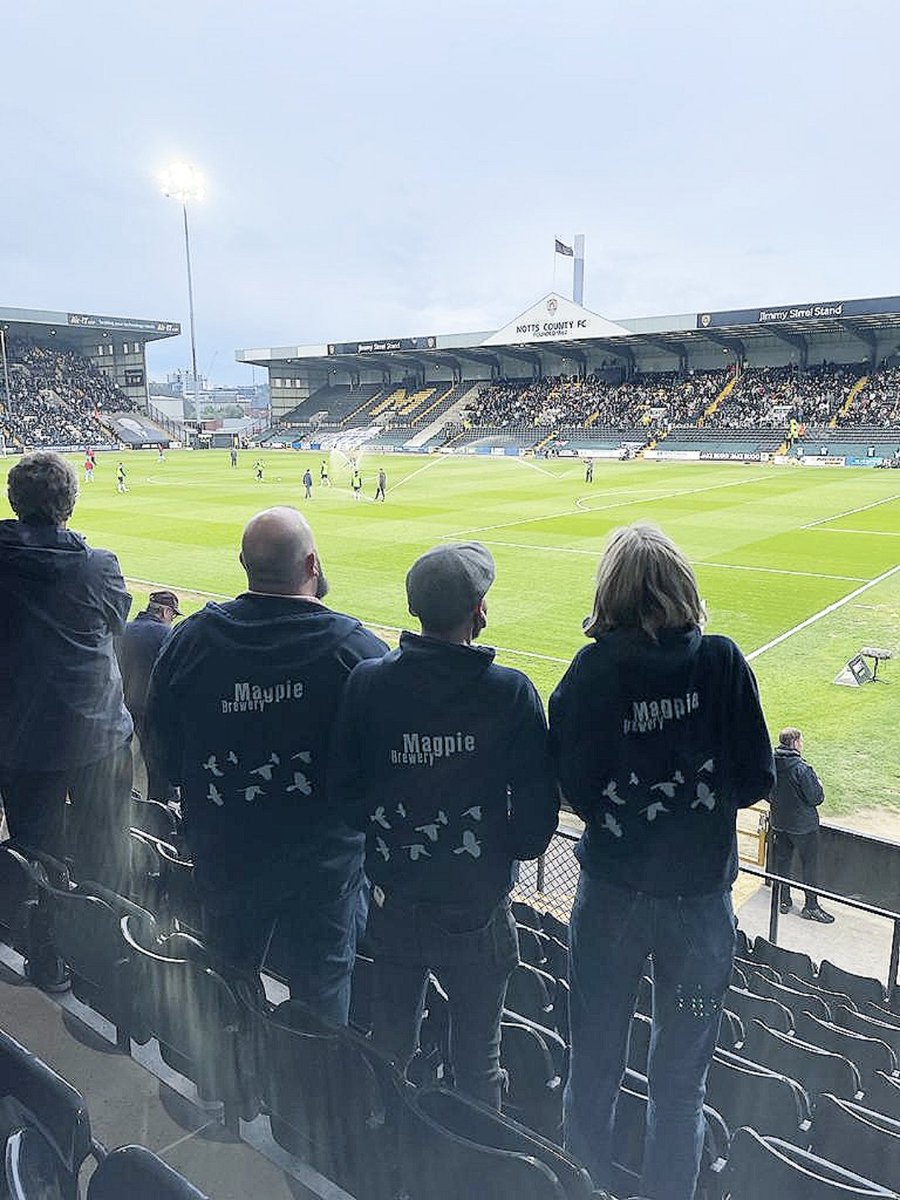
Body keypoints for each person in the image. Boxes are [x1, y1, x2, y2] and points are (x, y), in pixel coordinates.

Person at [549, 523, 774, 1200]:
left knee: (593, 1062)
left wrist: (628, 813)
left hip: (612, 898)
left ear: (610, 591)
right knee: (681, 1082)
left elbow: (571, 785)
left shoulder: (590, 673)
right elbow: (758, 778)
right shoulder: (723, 662)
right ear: (682, 584)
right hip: (702, 914)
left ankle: (580, 1186)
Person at [330, 542, 558, 1107]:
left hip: (393, 901)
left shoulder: (367, 682)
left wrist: (393, 839)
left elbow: (345, 794)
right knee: (478, 1060)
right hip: (477, 908)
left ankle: (385, 1148)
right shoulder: (509, 692)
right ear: (478, 612)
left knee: (390, 1045)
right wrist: (490, 850)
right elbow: (535, 821)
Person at [145, 507, 388, 1022]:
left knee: (226, 977)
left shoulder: (190, 640)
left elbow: (160, 748)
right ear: (313, 565)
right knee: (321, 992)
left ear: (243, 563)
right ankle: (308, 1099)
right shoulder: (356, 649)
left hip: (225, 853)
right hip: (322, 865)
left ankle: (223, 1096)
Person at [0, 452, 134, 946]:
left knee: (32, 851)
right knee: (105, 850)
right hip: (96, 733)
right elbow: (117, 623)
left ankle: (44, 952)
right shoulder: (97, 566)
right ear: (69, 504)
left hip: (18, 738)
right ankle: (100, 953)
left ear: (15, 502)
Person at [116, 590, 181, 801]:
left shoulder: (123, 630)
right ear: (164, 612)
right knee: (157, 772)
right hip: (151, 713)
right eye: (172, 615)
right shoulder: (167, 635)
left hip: (121, 710)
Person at [770, 728, 833, 923]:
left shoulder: (770, 764)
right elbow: (816, 798)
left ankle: (783, 900)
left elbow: (765, 790)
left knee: (783, 862)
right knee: (810, 865)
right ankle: (811, 907)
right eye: (801, 741)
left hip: (779, 823)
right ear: (795, 743)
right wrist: (819, 786)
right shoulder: (802, 769)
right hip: (803, 827)